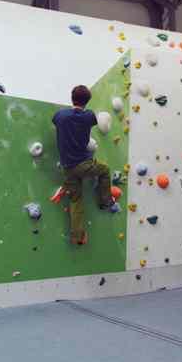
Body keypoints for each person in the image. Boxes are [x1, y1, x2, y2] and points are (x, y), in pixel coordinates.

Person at [51, 85, 114, 245]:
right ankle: (105, 201)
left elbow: (56, 121)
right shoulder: (89, 116)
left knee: (75, 201)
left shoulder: (60, 116)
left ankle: (78, 237)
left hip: (68, 168)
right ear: (87, 102)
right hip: (84, 164)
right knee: (105, 170)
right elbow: (95, 120)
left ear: (71, 97)